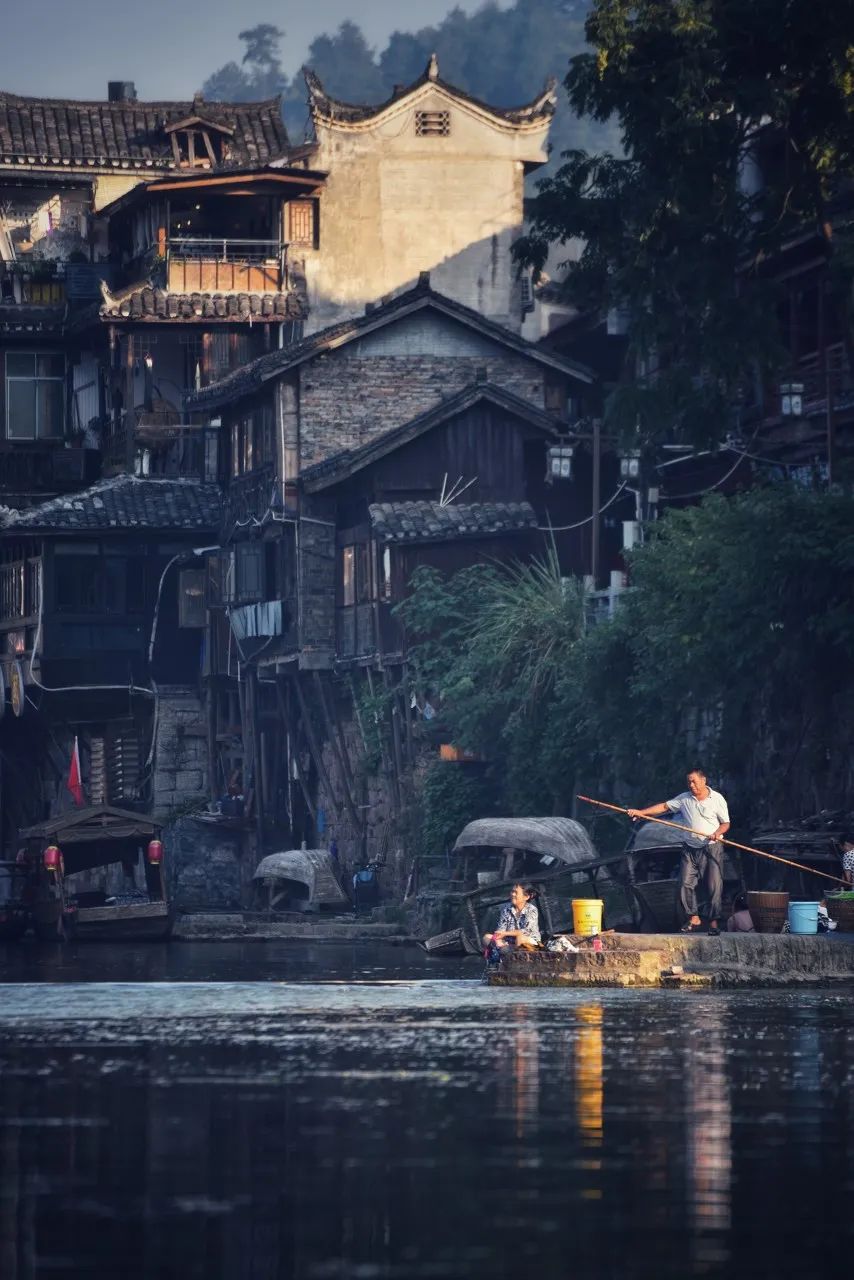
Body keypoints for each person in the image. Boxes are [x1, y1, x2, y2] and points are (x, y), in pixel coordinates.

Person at [628, 768, 731, 936]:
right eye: (689, 782)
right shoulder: (684, 799)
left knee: (713, 886)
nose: (691, 785)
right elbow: (663, 807)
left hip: (711, 847)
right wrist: (642, 813)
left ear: (704, 780)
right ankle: (694, 917)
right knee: (684, 884)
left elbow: (726, 823)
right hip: (689, 848)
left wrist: (717, 833)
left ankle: (713, 924)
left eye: (694, 781)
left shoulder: (717, 799)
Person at [483, 883, 541, 961]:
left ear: (526, 897)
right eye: (512, 891)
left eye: (516, 893)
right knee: (486, 937)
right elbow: (501, 929)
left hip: (528, 942)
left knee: (520, 938)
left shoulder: (531, 910)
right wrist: (498, 939)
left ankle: (512, 956)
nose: (512, 894)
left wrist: (505, 934)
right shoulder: (506, 909)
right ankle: (503, 954)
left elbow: (525, 931)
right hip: (510, 943)